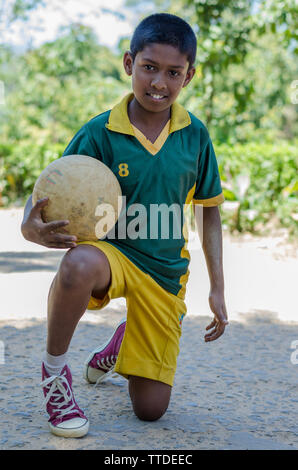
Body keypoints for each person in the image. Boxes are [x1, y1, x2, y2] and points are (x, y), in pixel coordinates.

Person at [21, 13, 228, 438]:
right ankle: (56, 375)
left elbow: (209, 213)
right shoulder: (99, 132)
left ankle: (121, 342)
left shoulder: (195, 136)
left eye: (173, 73)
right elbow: (53, 186)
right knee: (78, 264)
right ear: (128, 63)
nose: (159, 83)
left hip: (164, 274)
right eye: (149, 67)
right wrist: (30, 227)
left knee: (151, 411)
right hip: (111, 254)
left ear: (189, 77)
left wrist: (218, 288)